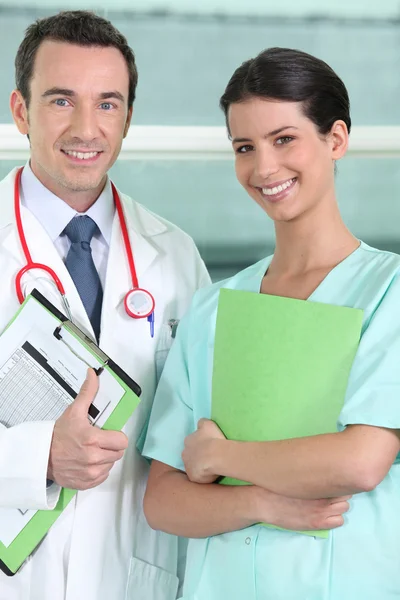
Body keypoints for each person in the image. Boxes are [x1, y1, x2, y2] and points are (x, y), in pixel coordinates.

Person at [143, 47, 400, 600]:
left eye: (284, 139)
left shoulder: (390, 292)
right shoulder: (213, 309)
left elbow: (360, 461)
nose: (263, 168)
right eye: (244, 147)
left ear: (335, 140)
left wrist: (217, 458)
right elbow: (163, 500)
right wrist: (261, 502)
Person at [0, 10, 212, 600]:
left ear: (128, 118)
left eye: (108, 103)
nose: (86, 128)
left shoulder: (174, 256)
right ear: (21, 110)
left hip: (134, 579)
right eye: (62, 101)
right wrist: (38, 456)